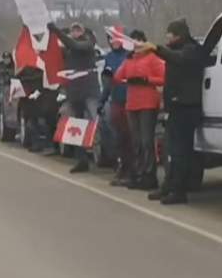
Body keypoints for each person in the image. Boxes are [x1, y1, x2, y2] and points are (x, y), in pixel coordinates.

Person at [148, 19, 207, 204]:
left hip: (186, 108)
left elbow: (178, 59)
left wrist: (156, 48)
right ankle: (169, 185)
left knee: (181, 152)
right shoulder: (177, 51)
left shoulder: (191, 50)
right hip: (176, 107)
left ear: (179, 35)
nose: (168, 37)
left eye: (170, 34)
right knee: (171, 150)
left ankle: (179, 190)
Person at [114, 31, 167, 191]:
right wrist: (127, 60)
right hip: (132, 104)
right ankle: (138, 173)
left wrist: (147, 80)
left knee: (146, 141)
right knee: (136, 141)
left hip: (148, 103)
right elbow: (118, 76)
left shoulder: (152, 58)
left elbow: (164, 77)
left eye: (138, 42)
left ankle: (149, 175)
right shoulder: (129, 59)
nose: (136, 45)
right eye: (133, 42)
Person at [47, 20, 100, 173]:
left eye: (78, 30)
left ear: (83, 31)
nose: (76, 33)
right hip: (74, 91)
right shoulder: (68, 48)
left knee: (95, 122)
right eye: (73, 30)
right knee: (76, 127)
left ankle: (105, 155)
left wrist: (57, 31)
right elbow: (55, 50)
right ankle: (81, 159)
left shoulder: (87, 44)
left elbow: (74, 45)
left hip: (90, 91)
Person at [99, 28, 134, 186]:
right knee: (119, 137)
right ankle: (122, 167)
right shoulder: (109, 58)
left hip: (130, 100)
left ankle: (132, 171)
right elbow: (107, 82)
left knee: (130, 137)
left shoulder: (129, 56)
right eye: (111, 40)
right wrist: (102, 100)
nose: (114, 42)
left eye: (116, 39)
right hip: (116, 101)